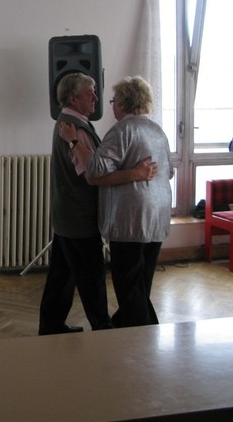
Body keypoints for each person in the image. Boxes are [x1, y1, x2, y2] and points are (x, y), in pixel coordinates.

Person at [39, 72, 156, 336]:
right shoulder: (76, 129)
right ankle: (103, 330)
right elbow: (95, 176)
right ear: (73, 98)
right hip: (80, 219)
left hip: (67, 216)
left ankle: (51, 327)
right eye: (89, 92)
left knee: (61, 277)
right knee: (91, 278)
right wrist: (135, 174)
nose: (95, 97)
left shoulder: (68, 122)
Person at [60, 75, 173, 328]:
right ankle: (126, 325)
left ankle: (145, 335)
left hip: (130, 219)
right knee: (141, 282)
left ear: (122, 102)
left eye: (113, 101)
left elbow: (95, 169)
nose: (110, 105)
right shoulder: (157, 130)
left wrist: (74, 142)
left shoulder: (122, 130)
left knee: (128, 284)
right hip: (158, 217)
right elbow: (170, 172)